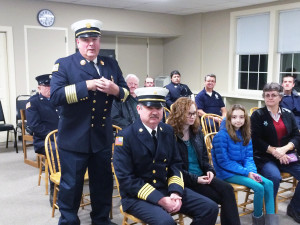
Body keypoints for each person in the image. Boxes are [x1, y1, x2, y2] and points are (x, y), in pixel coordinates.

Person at [50, 19, 129, 225]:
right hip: (74, 137)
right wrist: (87, 85)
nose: (90, 43)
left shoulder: (110, 63)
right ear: (78, 42)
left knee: (102, 183)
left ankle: (101, 219)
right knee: (72, 185)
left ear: (99, 40)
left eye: (94, 39)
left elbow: (126, 93)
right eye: (85, 40)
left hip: (101, 136)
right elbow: (56, 96)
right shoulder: (65, 64)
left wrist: (116, 90)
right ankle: (68, 221)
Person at [113, 87, 219, 225]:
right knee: (166, 223)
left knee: (210, 208)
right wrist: (160, 199)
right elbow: (127, 179)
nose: (155, 112)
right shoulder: (125, 137)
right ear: (139, 109)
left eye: (159, 108)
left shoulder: (167, 131)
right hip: (137, 197)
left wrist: (175, 192)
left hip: (166, 188)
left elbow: (175, 164)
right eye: (149, 108)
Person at [167, 97, 240, 225]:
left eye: (194, 113)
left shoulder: (196, 132)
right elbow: (173, 169)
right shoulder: (170, 135)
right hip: (185, 180)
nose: (192, 116)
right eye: (189, 113)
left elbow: (205, 159)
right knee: (218, 201)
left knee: (228, 190)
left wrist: (210, 170)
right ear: (179, 113)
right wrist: (196, 179)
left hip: (201, 176)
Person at [212, 104, 278, 225]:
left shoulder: (246, 134)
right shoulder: (221, 136)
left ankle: (271, 222)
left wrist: (251, 171)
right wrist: (247, 173)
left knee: (269, 184)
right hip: (226, 173)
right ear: (229, 118)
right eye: (234, 117)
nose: (238, 120)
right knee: (259, 187)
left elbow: (248, 157)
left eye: (241, 117)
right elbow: (224, 162)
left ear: (245, 119)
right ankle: (258, 220)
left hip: (243, 171)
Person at [251, 82, 300, 223]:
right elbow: (255, 140)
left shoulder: (288, 114)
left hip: (286, 156)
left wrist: (284, 150)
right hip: (265, 157)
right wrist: (275, 152)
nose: (270, 98)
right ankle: (269, 213)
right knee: (274, 177)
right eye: (267, 95)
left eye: (273, 95)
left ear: (280, 97)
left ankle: (294, 208)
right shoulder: (258, 115)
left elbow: (296, 136)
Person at [26, 74, 60, 207]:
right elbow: (35, 126)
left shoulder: (58, 100)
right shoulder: (33, 102)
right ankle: (56, 191)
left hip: (61, 138)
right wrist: (55, 136)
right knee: (56, 151)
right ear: (39, 87)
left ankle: (74, 184)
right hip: (44, 141)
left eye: (51, 85)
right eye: (46, 86)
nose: (50, 88)